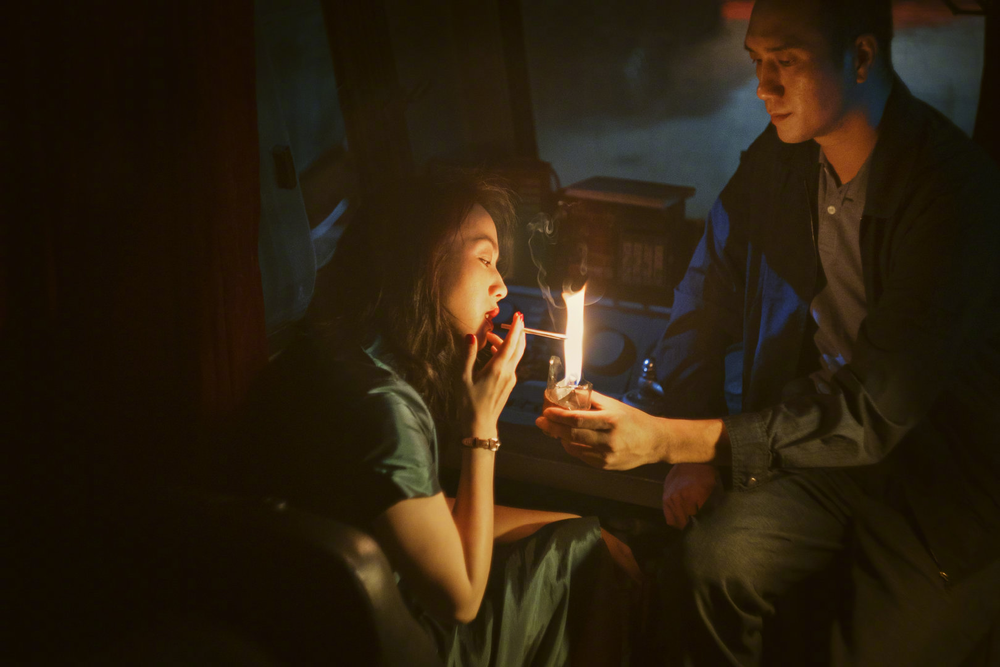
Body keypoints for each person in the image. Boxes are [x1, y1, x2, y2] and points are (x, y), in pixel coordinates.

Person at [536, 0, 1000, 664]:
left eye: (786, 61)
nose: (763, 86)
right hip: (819, 455)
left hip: (937, 480)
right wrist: (692, 442)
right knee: (707, 568)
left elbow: (875, 410)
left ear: (861, 58)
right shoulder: (781, 161)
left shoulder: (952, 192)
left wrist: (667, 438)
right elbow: (705, 291)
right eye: (756, 61)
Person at [230, 170, 642, 666]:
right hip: (387, 645)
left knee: (586, 536)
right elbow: (461, 600)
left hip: (317, 628)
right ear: (422, 262)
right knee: (587, 557)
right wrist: (482, 427)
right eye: (485, 259)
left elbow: (422, 511)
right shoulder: (382, 406)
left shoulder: (334, 356)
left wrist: (572, 521)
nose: (501, 286)